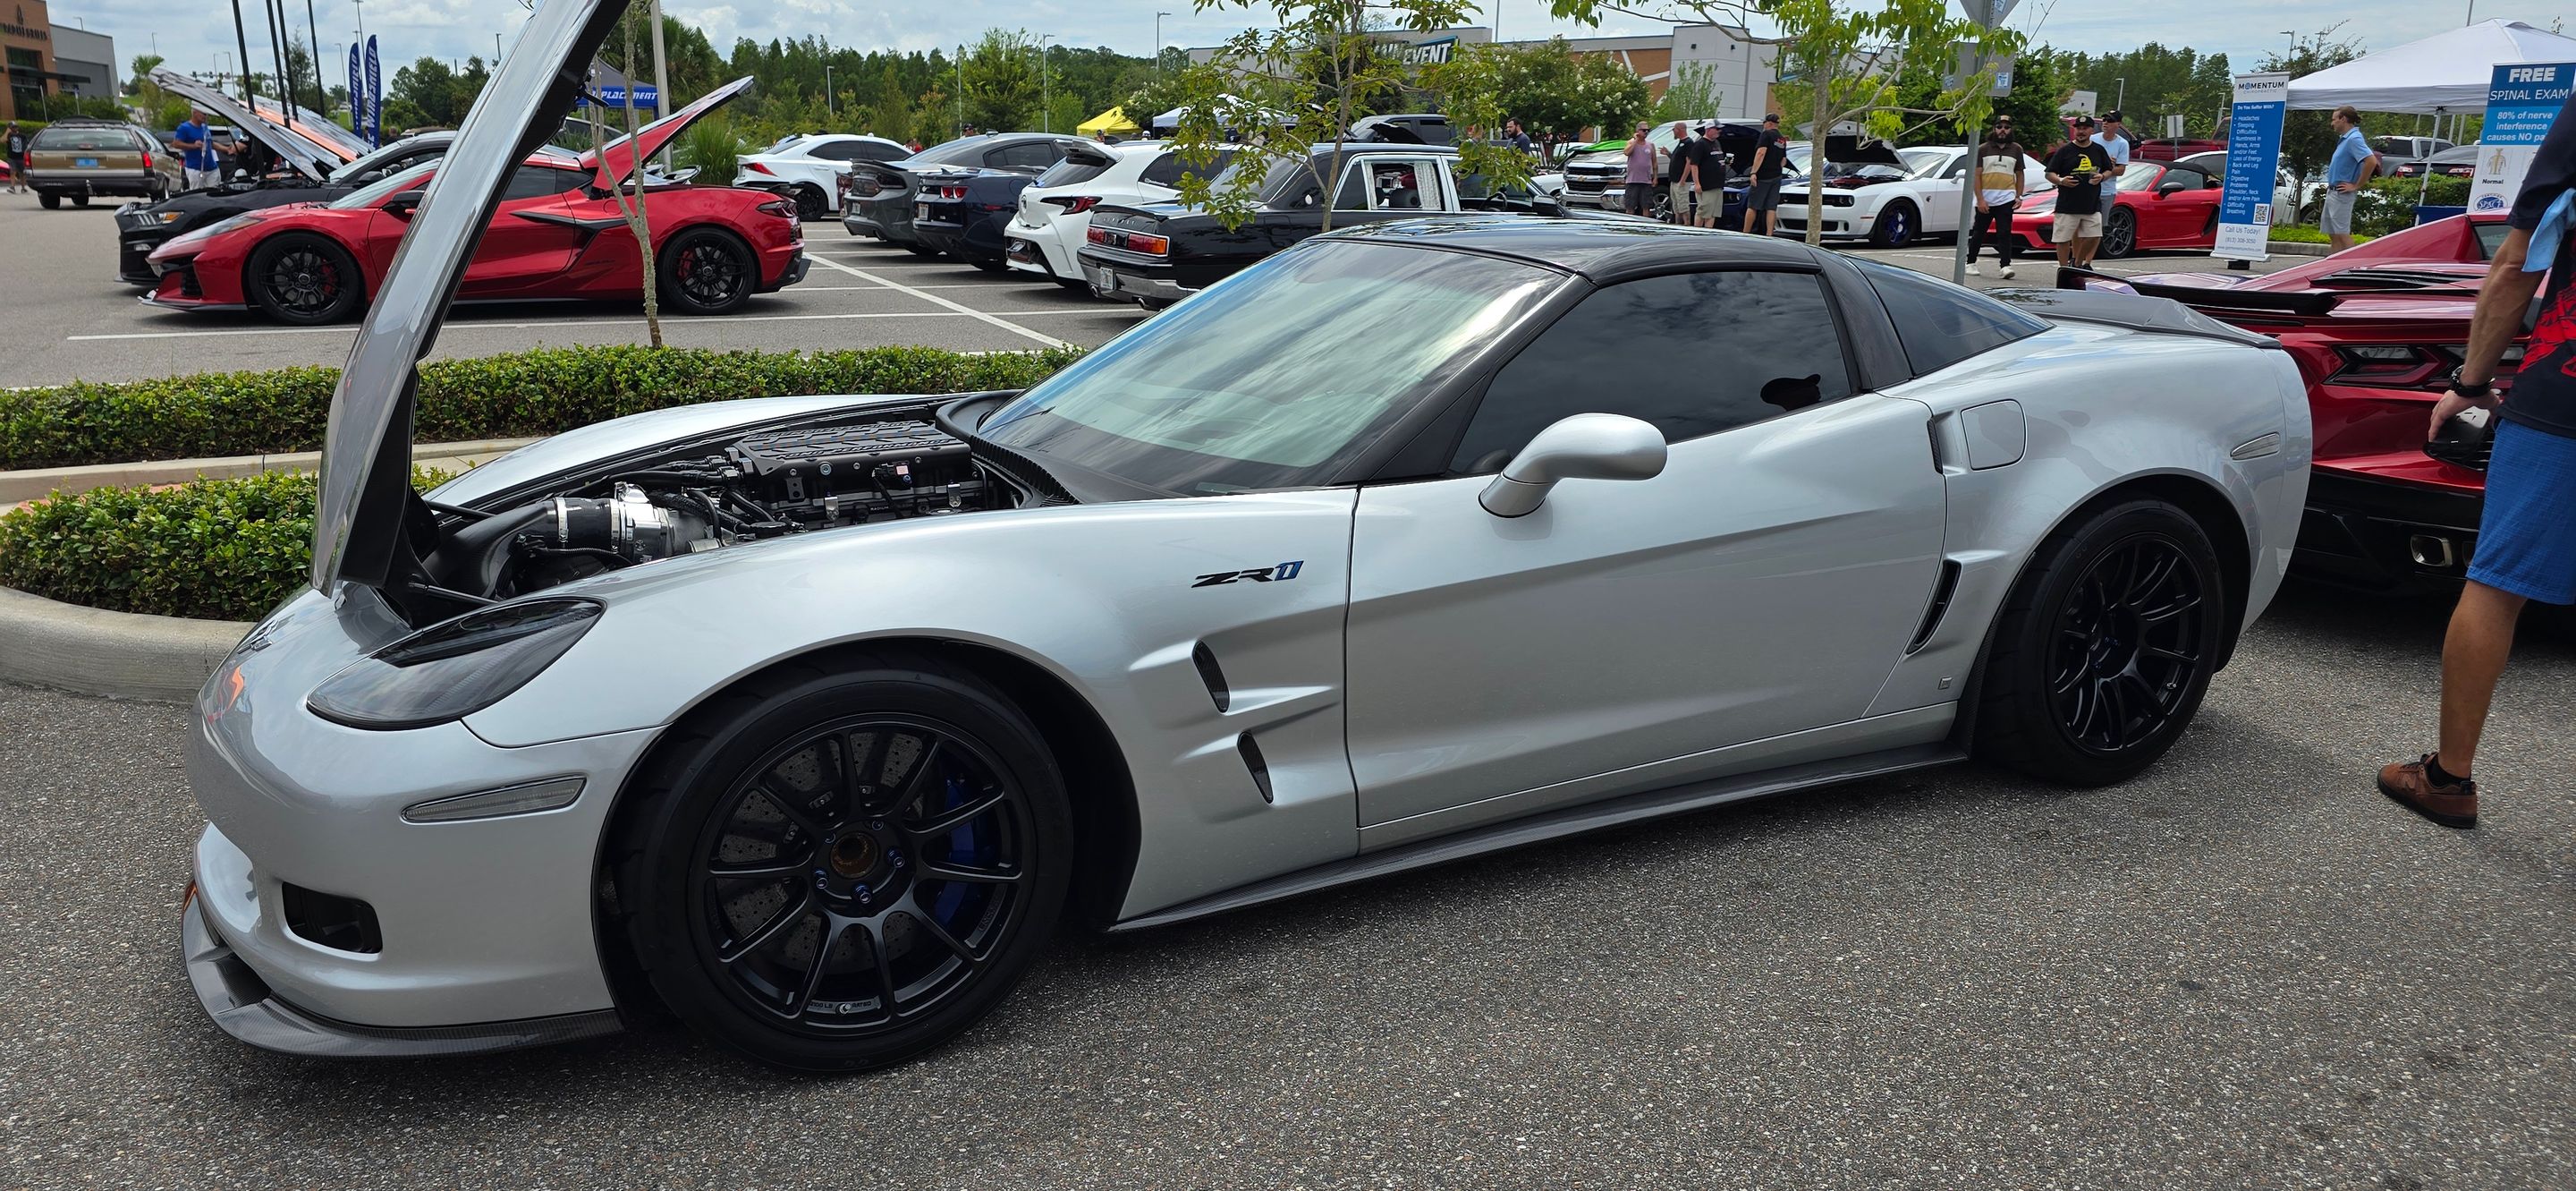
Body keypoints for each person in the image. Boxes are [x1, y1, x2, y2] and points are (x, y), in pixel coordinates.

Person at [2375, 100, 2576, 829]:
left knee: (2495, 586)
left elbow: (2517, 262)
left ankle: (2449, 778)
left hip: (2566, 395)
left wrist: (2468, 382)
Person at [2044, 115, 2118, 270]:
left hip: (2091, 204)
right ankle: (2064, 269)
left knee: (2094, 236)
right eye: (2078, 128)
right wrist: (2061, 181)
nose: (2081, 131)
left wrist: (2102, 176)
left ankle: (2077, 263)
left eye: (2085, 128)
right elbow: (2049, 173)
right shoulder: (2065, 151)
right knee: (2063, 239)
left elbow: (2108, 170)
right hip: (2067, 204)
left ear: (2092, 130)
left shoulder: (2098, 150)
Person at [1965, 121, 2027, 278]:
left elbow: (2020, 174)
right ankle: (1970, 262)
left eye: (2006, 128)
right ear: (1994, 129)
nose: (2002, 131)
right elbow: (1976, 175)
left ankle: (2005, 265)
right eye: (1999, 127)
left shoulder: (2016, 149)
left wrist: (2018, 196)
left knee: (2005, 232)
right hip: (1985, 198)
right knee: (1979, 232)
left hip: (2006, 198)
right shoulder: (1983, 149)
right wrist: (1980, 199)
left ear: (2011, 130)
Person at [2323, 106, 2382, 252]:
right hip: (2333, 192)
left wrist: (2356, 185)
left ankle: (2352, 267)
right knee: (2334, 235)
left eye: (2334, 119)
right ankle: (2333, 268)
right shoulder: (2345, 139)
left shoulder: (2353, 139)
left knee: (2342, 234)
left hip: (2342, 194)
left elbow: (2371, 161)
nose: (2332, 123)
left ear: (2343, 119)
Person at [1742, 113, 1786, 236]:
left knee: (1753, 206)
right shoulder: (1782, 139)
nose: (1763, 124)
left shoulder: (1766, 135)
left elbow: (1761, 153)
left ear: (1769, 123)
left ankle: (1745, 233)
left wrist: (1754, 172)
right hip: (1776, 176)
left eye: (1764, 122)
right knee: (1771, 208)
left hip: (1763, 176)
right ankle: (1769, 234)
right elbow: (1783, 160)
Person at [1688, 122, 1728, 228]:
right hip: (1706, 185)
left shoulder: (1717, 143)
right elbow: (1694, 165)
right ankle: (1697, 233)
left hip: (1718, 184)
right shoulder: (1700, 144)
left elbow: (1716, 159)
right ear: (1709, 129)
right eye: (1716, 129)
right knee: (1703, 211)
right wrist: (1697, 183)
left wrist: (1726, 162)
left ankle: (1709, 232)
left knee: (1713, 213)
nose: (1719, 131)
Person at [173, 109, 221, 191]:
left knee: (215, 193)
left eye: (206, 114)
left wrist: (226, 149)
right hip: (195, 169)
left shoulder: (204, 127)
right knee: (198, 195)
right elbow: (176, 144)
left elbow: (210, 143)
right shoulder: (184, 128)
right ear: (195, 113)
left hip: (212, 168)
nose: (206, 116)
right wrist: (193, 146)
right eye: (203, 113)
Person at [2097, 109, 2131, 214]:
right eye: (2104, 119)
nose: (2106, 122)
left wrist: (2109, 166)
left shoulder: (2122, 143)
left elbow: (2121, 170)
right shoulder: (2093, 139)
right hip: (2088, 190)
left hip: (2106, 192)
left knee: (2101, 225)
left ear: (2118, 124)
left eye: (2110, 120)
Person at [1622, 121, 1656, 217]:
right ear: (1638, 131)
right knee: (1630, 206)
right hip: (1632, 180)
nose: (1646, 132)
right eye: (1644, 130)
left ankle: (1645, 226)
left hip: (1646, 181)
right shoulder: (1631, 142)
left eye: (1648, 130)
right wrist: (1635, 140)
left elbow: (1654, 162)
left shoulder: (1650, 145)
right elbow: (1627, 152)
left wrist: (1655, 177)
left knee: (1646, 206)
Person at [1661, 121, 1692, 223]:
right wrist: (1668, 154)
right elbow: (1678, 160)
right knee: (1676, 207)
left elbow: (1689, 162)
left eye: (1674, 129)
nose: (1673, 131)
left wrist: (1683, 179)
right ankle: (1677, 225)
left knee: (1683, 206)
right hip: (1674, 180)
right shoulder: (1680, 143)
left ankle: (1687, 225)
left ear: (1680, 130)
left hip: (1681, 181)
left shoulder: (1688, 143)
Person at [4, 122, 27, 194]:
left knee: (22, 173)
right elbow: (2, 140)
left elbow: (25, 145)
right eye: (13, 127)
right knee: (12, 171)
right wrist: (7, 132)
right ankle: (12, 187)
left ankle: (23, 188)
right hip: (12, 157)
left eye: (16, 127)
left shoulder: (22, 136)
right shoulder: (9, 136)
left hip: (20, 157)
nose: (15, 128)